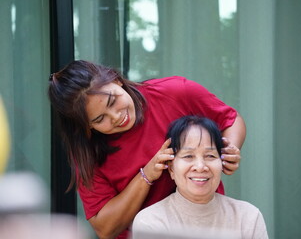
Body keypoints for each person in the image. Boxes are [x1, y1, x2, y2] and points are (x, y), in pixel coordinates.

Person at [48, 60, 246, 239]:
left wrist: (227, 151)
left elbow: (230, 120)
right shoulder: (87, 151)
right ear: (86, 127)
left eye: (113, 101)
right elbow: (105, 228)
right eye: (100, 119)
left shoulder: (174, 92)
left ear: (117, 81)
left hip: (208, 227)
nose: (116, 117)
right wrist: (147, 175)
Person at [132, 116, 268, 239]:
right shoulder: (151, 222)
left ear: (222, 163)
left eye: (210, 156)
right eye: (188, 156)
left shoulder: (247, 217)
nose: (200, 166)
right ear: (171, 168)